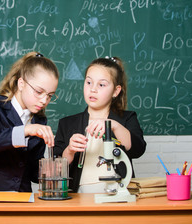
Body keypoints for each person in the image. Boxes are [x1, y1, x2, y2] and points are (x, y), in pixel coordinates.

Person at [0, 52, 59, 192]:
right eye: (39, 92)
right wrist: (26, 130)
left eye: (50, 96)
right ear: (21, 83)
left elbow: (33, 173)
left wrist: (51, 170)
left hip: (21, 198)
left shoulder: (39, 120)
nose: (44, 100)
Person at [54, 56, 146, 193]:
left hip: (119, 194)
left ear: (116, 91)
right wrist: (69, 151)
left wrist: (112, 125)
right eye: (89, 82)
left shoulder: (126, 119)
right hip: (79, 198)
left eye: (101, 85)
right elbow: (55, 171)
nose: (93, 89)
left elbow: (138, 149)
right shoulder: (67, 124)